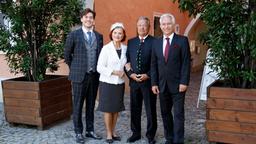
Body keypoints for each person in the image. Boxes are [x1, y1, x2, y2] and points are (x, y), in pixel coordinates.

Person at [64, 8, 103, 143]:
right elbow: (67, 55)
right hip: (79, 76)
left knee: (91, 105)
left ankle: (90, 130)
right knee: (78, 105)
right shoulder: (74, 35)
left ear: (93, 20)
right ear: (82, 19)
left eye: (91, 17)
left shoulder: (99, 36)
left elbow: (99, 56)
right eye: (86, 17)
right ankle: (78, 132)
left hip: (94, 76)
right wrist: (75, 68)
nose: (88, 19)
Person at [151, 13, 191, 144]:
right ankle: (169, 138)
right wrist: (154, 83)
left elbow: (186, 62)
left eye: (169, 24)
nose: (166, 26)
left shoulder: (182, 40)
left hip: (178, 84)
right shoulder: (156, 42)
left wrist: (184, 82)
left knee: (178, 114)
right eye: (163, 24)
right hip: (162, 85)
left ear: (173, 25)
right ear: (160, 26)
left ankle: (178, 140)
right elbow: (154, 64)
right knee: (165, 113)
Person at [125, 16, 157, 144]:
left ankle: (150, 135)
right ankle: (136, 133)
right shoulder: (131, 42)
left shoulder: (154, 42)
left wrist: (148, 75)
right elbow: (126, 61)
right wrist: (131, 74)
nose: (142, 28)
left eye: (144, 25)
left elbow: (156, 63)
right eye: (139, 25)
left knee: (150, 109)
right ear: (136, 27)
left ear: (148, 27)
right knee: (135, 108)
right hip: (134, 82)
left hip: (148, 82)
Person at [96, 22, 127, 144]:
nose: (117, 35)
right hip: (107, 83)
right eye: (115, 33)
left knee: (116, 109)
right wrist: (114, 72)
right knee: (108, 109)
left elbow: (127, 64)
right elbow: (99, 67)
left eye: (120, 33)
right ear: (111, 34)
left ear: (123, 34)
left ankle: (113, 131)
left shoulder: (125, 48)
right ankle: (109, 133)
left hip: (119, 84)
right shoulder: (106, 48)